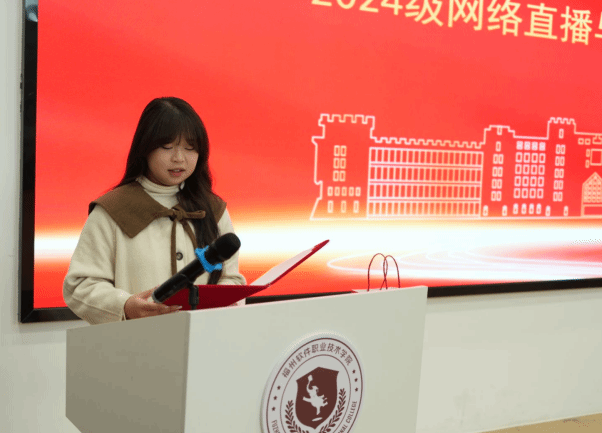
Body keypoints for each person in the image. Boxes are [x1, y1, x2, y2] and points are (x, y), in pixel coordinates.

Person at [63, 97, 246, 324]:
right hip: (137, 342)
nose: (179, 158)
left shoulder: (212, 210)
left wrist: (224, 300)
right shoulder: (112, 210)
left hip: (204, 339)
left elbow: (231, 279)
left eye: (190, 148)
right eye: (167, 147)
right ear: (145, 148)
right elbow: (80, 286)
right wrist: (125, 306)